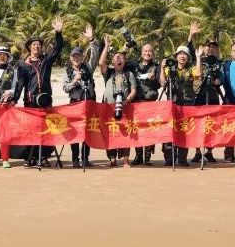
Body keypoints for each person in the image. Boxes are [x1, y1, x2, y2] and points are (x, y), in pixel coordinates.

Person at [13, 17, 64, 166]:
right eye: (34, 44)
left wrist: (58, 33)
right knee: (31, 129)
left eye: (39, 45)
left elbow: (57, 48)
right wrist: (14, 99)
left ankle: (43, 156)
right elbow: (20, 84)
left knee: (46, 128)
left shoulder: (46, 61)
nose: (37, 46)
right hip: (30, 102)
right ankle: (32, 156)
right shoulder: (23, 65)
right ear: (29, 47)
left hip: (45, 100)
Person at [161, 22, 201, 166]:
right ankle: (169, 157)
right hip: (172, 104)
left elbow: (198, 74)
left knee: (184, 130)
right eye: (180, 54)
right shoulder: (170, 69)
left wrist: (199, 58)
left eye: (185, 54)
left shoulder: (191, 69)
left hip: (187, 105)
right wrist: (162, 68)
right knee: (170, 131)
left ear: (188, 57)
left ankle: (182, 158)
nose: (182, 56)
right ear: (176, 56)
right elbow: (162, 82)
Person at [61, 26, 101, 168]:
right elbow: (65, 88)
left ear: (82, 57)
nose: (76, 58)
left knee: (87, 131)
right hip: (74, 104)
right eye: (74, 57)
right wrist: (74, 81)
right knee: (74, 131)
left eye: (78, 56)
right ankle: (75, 159)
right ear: (70, 58)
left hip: (88, 102)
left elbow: (95, 55)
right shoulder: (67, 72)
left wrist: (91, 40)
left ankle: (85, 158)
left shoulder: (88, 68)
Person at [98, 38, 139, 167]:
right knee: (109, 132)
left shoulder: (128, 74)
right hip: (108, 108)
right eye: (116, 57)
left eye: (121, 57)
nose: (119, 59)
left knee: (125, 132)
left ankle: (126, 160)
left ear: (125, 61)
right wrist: (106, 46)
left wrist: (128, 99)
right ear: (112, 61)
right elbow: (101, 62)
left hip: (125, 107)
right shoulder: (108, 72)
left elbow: (134, 90)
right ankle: (112, 158)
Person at [191, 38, 224, 164]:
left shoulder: (219, 63)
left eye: (214, 47)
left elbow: (222, 76)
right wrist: (199, 57)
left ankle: (209, 152)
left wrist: (219, 80)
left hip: (213, 96)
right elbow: (196, 74)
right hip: (199, 95)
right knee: (197, 125)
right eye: (209, 46)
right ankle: (197, 152)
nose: (211, 49)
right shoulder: (199, 60)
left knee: (212, 125)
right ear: (204, 48)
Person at [130, 41, 162, 165]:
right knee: (137, 129)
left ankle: (147, 157)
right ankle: (138, 156)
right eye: (145, 51)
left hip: (150, 103)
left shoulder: (157, 67)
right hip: (137, 102)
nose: (147, 53)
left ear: (153, 53)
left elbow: (160, 83)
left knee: (149, 129)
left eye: (150, 51)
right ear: (141, 52)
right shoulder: (134, 65)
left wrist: (154, 78)